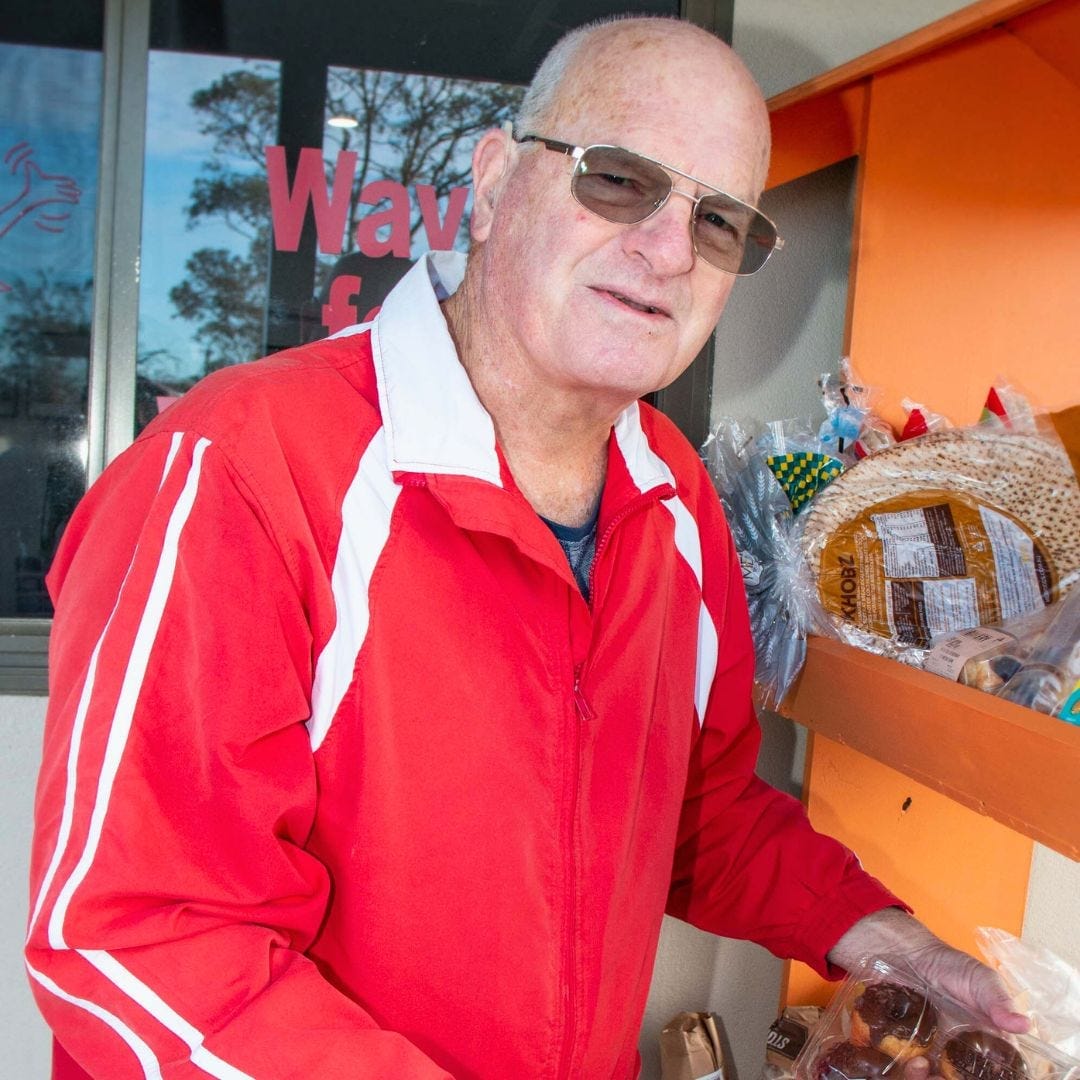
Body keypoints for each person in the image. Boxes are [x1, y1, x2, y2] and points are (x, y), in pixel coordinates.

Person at [26, 16, 1026, 1080]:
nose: (669, 250)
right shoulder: (241, 468)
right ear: (496, 180)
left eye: (719, 221)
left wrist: (884, 938)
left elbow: (695, 816)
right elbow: (132, 935)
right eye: (620, 180)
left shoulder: (676, 501)